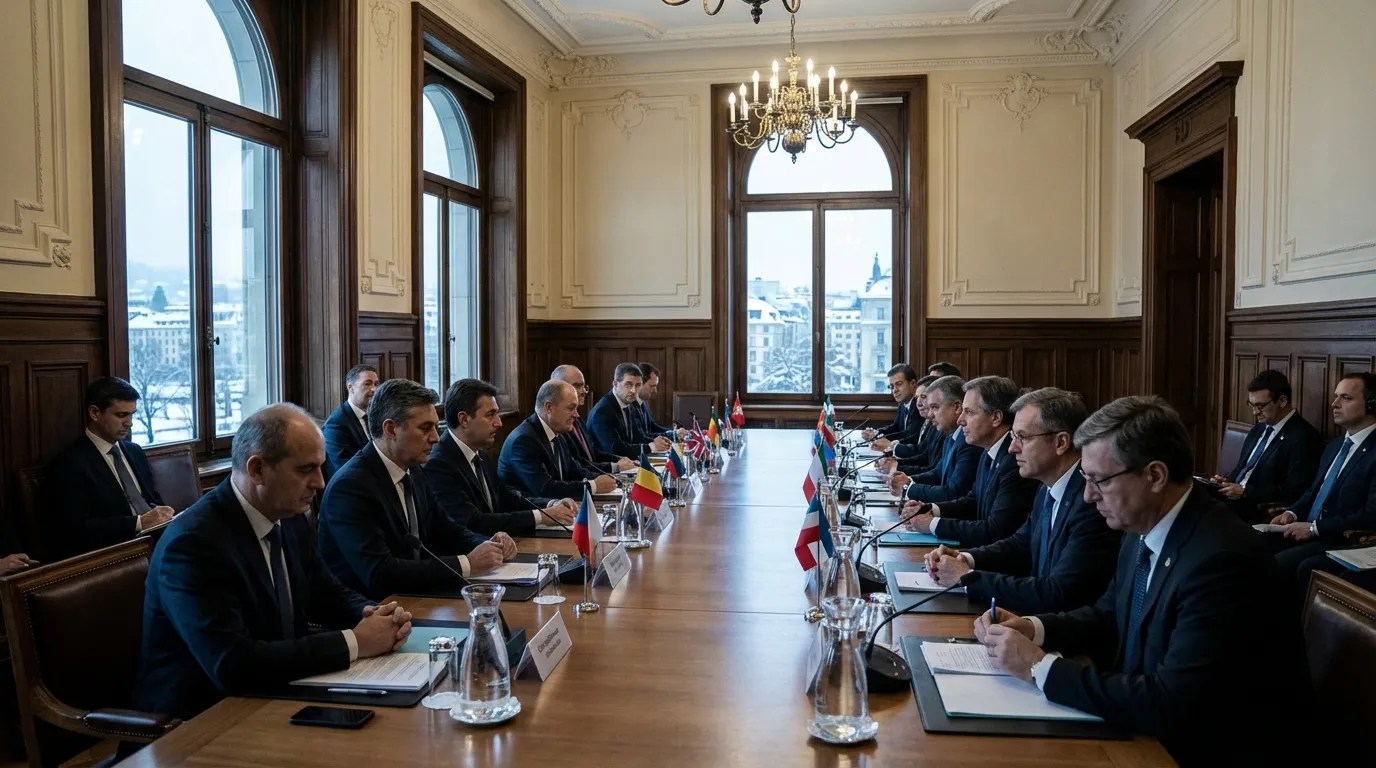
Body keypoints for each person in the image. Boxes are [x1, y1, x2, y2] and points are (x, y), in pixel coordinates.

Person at [975, 396, 1310, 765]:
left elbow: (1171, 703)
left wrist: (1040, 668)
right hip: (1145, 732)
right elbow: (1110, 615)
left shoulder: (1222, 560)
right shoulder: (1142, 525)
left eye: (1099, 480)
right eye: (1085, 479)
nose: (1088, 495)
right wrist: (1034, 629)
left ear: (1154, 476)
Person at [131, 404, 412, 722]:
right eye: (306, 469)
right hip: (198, 721)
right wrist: (356, 641)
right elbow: (232, 663)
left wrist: (371, 614)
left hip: (277, 693)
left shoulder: (291, 516)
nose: (320, 482)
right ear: (257, 469)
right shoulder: (194, 544)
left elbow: (324, 591)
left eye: (321, 468)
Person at [924, 388, 1121, 613]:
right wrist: (965, 558)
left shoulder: (1091, 502)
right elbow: (1020, 545)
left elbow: (1059, 593)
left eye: (1022, 437)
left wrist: (968, 578)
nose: (1012, 447)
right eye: (1014, 437)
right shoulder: (1048, 486)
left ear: (1060, 442)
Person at [317, 379, 512, 601]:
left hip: (417, 597)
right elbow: (380, 573)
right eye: (425, 428)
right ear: (390, 429)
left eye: (436, 427)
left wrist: (486, 545)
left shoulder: (414, 469)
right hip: (374, 611)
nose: (436, 438)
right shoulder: (351, 487)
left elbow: (444, 528)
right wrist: (467, 564)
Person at [425, 379, 577, 536]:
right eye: (491, 415)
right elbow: (472, 522)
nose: (499, 423)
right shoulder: (438, 464)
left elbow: (505, 496)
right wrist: (541, 516)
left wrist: (550, 504)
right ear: (464, 419)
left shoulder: (479, 453)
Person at [1261, 372, 1376, 579]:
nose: (1334, 403)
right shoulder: (1335, 446)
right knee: (1252, 544)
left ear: (1371, 404)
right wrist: (1292, 513)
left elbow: (1370, 514)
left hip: (1341, 538)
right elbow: (1314, 491)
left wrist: (1314, 528)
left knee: (1285, 565)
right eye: (1336, 396)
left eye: (1346, 398)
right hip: (1306, 526)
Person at [901, 376, 1038, 546]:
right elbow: (973, 501)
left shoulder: (1014, 461)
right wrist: (930, 508)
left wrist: (933, 524)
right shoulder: (989, 449)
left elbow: (995, 530)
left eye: (970, 412)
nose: (961, 420)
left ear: (995, 418)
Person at [48, 376, 174, 557]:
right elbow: (76, 529)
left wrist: (163, 514)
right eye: (121, 415)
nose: (129, 423)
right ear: (95, 413)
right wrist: (139, 523)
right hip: (117, 553)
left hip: (157, 542)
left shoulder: (135, 451)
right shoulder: (70, 463)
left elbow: (149, 498)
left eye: (132, 414)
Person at [1209, 370, 1321, 523]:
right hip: (1235, 500)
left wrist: (1245, 492)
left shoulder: (1303, 437)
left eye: (1260, 406)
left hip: (1257, 508)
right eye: (1252, 405)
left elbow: (1295, 490)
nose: (1255, 412)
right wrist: (1226, 481)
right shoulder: (1259, 429)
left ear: (1282, 401)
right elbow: (1243, 469)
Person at [500, 380, 618, 499]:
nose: (576, 415)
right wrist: (593, 485)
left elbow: (574, 470)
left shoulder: (558, 431)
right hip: (532, 513)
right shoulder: (524, 440)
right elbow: (545, 488)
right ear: (549, 407)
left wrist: (611, 480)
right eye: (571, 408)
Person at [887, 376, 980, 503]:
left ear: (957, 407)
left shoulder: (968, 442)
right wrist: (909, 481)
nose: (930, 415)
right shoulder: (951, 435)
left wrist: (908, 488)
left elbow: (953, 493)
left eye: (935, 407)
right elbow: (937, 473)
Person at [551, 365, 635, 475]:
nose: (582, 392)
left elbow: (591, 452)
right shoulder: (558, 423)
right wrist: (614, 467)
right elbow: (578, 464)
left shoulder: (577, 417)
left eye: (583, 386)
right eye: (577, 386)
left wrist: (619, 460)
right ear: (557, 387)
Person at [586, 364, 672, 457]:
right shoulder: (603, 411)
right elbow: (614, 448)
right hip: (608, 467)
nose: (633, 391)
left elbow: (638, 437)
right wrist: (651, 447)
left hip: (629, 463)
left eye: (638, 385)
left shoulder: (629, 403)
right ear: (615, 384)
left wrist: (658, 442)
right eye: (628, 384)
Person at [323, 364, 379, 479]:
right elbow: (345, 469)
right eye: (367, 384)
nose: (374, 389)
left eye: (376, 384)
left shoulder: (375, 416)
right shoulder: (335, 425)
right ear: (351, 388)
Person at [863, 365, 920, 444]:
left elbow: (910, 436)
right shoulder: (903, 403)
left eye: (899, 384)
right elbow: (895, 427)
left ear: (912, 383)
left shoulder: (920, 406)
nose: (894, 390)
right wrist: (876, 433)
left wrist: (883, 440)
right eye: (892, 386)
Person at [635, 362, 689, 441]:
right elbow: (642, 437)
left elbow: (652, 426)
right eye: (652, 386)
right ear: (640, 384)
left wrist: (674, 432)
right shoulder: (630, 404)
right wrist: (673, 435)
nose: (655, 391)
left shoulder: (642, 400)